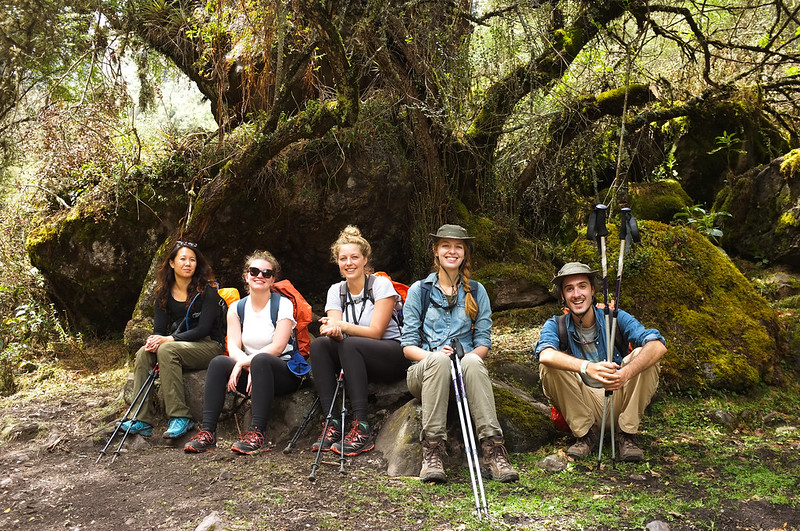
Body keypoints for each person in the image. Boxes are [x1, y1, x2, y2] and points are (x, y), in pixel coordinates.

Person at [401, 224, 518, 484]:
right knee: (441, 360)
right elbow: (408, 346)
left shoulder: (477, 291)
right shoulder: (419, 291)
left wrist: (465, 358)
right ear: (436, 251)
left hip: (464, 370)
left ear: (465, 253)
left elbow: (483, 343)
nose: (452, 251)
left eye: (458, 247)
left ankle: (493, 450)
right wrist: (434, 357)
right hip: (425, 372)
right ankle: (432, 452)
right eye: (446, 246)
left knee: (474, 361)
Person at [534, 262, 667, 461]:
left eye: (582, 286)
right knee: (549, 365)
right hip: (584, 404)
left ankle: (627, 435)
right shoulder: (556, 325)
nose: (576, 294)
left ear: (593, 290)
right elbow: (545, 354)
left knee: (645, 354)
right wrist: (587, 367)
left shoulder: (616, 317)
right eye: (569, 289)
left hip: (618, 395)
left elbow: (658, 345)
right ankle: (586, 436)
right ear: (562, 296)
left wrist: (625, 374)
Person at [184, 251, 303, 455]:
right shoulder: (237, 308)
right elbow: (233, 347)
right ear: (246, 276)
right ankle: (208, 433)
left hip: (282, 372)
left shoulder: (282, 304)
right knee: (219, 363)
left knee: (262, 360)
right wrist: (243, 363)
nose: (260, 276)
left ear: (273, 279)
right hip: (252, 372)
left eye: (267, 273)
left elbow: (278, 346)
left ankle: (257, 433)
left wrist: (245, 363)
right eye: (254, 271)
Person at [309, 226, 409, 456]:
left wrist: (341, 327)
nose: (349, 263)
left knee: (350, 343)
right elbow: (336, 329)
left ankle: (362, 426)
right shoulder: (336, 290)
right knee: (319, 345)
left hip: (391, 354)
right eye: (343, 258)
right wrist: (332, 330)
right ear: (337, 262)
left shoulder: (380, 285)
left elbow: (376, 332)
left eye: (355, 257)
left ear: (365, 259)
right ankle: (333, 423)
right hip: (354, 355)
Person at [121, 240, 225, 439]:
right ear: (171, 263)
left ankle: (180, 416)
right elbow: (159, 330)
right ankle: (142, 419)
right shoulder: (163, 293)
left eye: (192, 260)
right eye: (183, 259)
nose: (188, 264)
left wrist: (169, 339)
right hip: (180, 344)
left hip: (209, 344)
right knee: (144, 352)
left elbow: (203, 329)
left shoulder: (208, 291)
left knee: (167, 349)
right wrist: (154, 340)